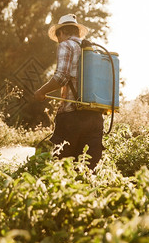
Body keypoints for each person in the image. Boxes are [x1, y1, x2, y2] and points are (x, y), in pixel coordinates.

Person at [34, 14, 103, 170]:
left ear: (62, 32)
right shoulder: (92, 50)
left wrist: (41, 91)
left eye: (58, 35)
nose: (58, 39)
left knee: (62, 167)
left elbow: (62, 77)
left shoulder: (66, 45)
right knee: (87, 168)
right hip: (95, 117)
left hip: (72, 116)